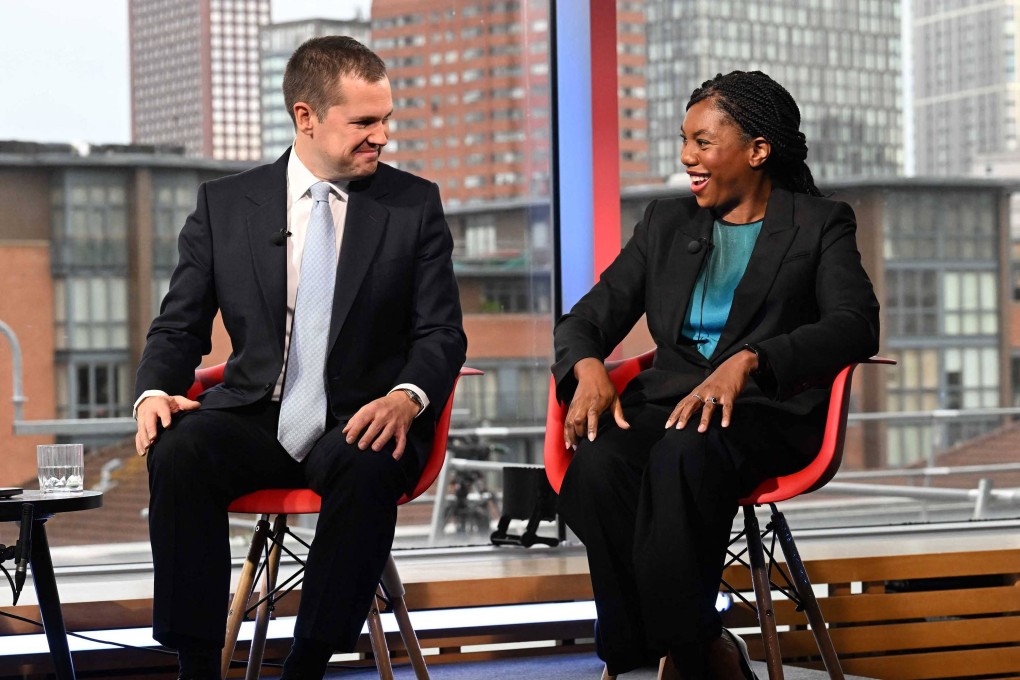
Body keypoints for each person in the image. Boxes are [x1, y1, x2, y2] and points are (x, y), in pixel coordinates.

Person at [133, 36, 466, 680]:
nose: (382, 137)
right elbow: (178, 327)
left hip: (361, 416)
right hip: (258, 411)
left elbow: (442, 334)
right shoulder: (225, 205)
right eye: (365, 122)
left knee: (369, 463)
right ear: (306, 117)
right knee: (178, 450)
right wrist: (154, 393)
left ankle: (309, 665)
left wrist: (407, 396)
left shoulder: (412, 205)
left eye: (387, 120)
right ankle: (196, 665)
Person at [551, 71, 879, 679]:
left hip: (762, 413)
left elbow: (856, 325)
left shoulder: (821, 223)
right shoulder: (665, 224)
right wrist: (589, 367)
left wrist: (753, 360)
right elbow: (586, 319)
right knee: (597, 467)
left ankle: (677, 654)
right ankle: (698, 646)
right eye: (684, 140)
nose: (686, 158)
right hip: (669, 406)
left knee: (683, 456)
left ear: (758, 150)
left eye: (703, 142)